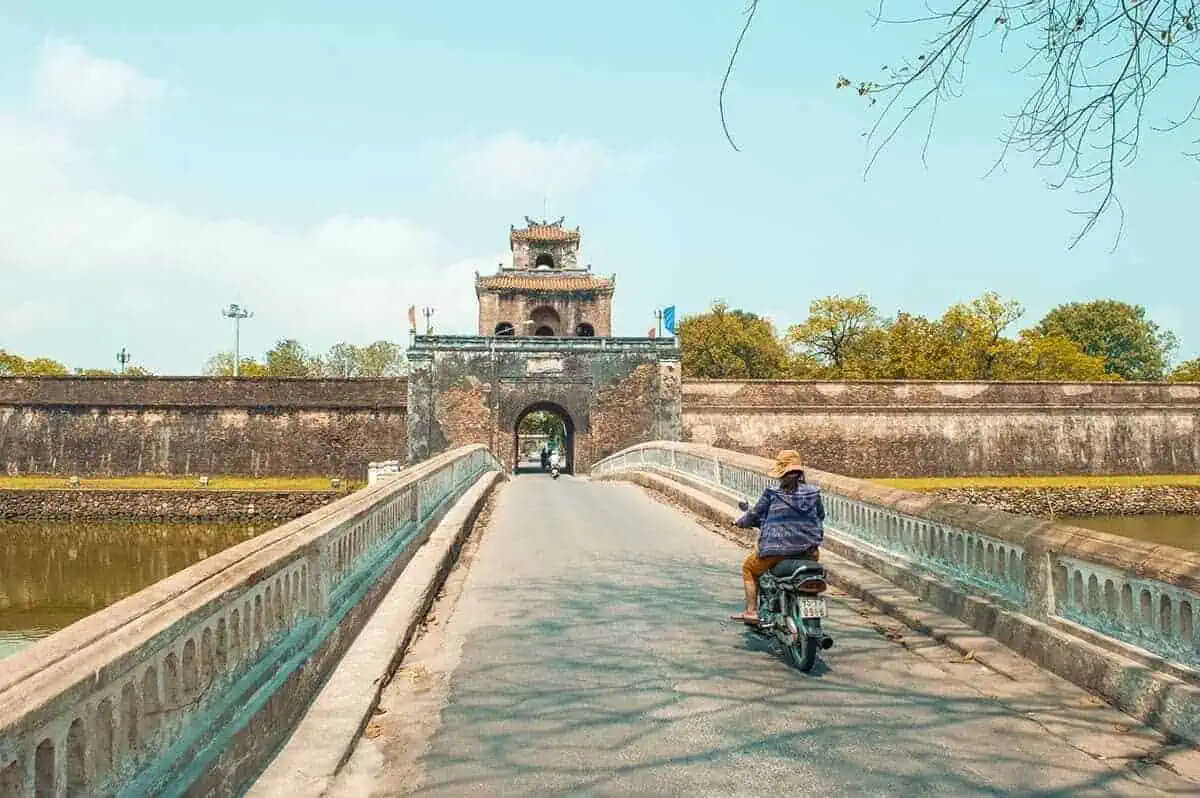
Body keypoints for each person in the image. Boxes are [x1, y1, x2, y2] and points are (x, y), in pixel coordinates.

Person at [729, 450, 825, 624]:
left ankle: (751, 611)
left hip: (777, 551)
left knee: (748, 569)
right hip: (809, 551)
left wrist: (740, 522)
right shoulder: (814, 493)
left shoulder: (772, 493)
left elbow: (754, 515)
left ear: (781, 473)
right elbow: (821, 516)